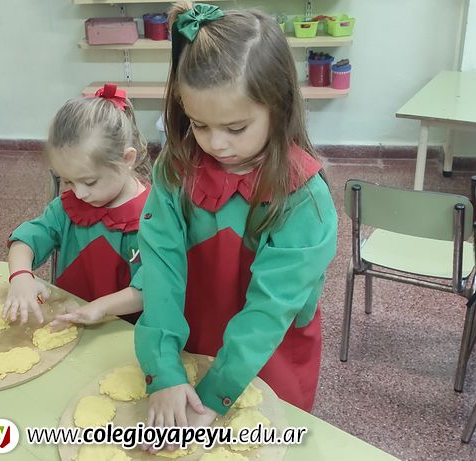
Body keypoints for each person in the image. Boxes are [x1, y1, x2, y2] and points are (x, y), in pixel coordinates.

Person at [134, 2, 339, 434]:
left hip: (266, 353)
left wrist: (218, 391)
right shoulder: (175, 169)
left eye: (236, 128)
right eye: (199, 125)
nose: (216, 144)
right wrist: (163, 368)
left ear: (279, 106)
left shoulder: (304, 197)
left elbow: (269, 310)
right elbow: (160, 271)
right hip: (192, 336)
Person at [4, 85, 149, 328]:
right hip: (70, 322)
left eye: (89, 182)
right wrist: (20, 276)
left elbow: (151, 287)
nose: (79, 194)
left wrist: (100, 308)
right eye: (68, 181)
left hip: (124, 332)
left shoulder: (152, 217)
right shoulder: (68, 208)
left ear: (127, 160)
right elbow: (25, 240)